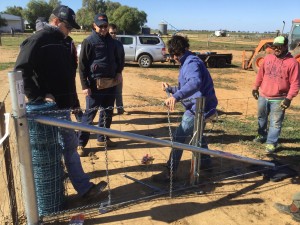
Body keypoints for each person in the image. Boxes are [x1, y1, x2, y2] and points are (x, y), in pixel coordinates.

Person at [14, 5, 107, 199]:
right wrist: (39, 96)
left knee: (68, 146)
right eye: (68, 27)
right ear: (56, 21)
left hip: (63, 107)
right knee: (61, 148)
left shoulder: (63, 42)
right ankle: (80, 189)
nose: (69, 31)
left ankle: (79, 187)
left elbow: (67, 75)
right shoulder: (37, 40)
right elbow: (20, 71)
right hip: (47, 109)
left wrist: (73, 101)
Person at [152, 35, 218, 182]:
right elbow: (187, 86)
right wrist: (171, 90)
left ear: (180, 51)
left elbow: (195, 83)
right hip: (203, 105)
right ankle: (206, 165)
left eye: (175, 54)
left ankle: (170, 173)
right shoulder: (188, 60)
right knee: (198, 136)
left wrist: (176, 97)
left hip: (198, 108)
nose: (174, 57)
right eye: (174, 54)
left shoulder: (190, 63)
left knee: (178, 138)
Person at [77, 13, 123, 156]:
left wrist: (119, 72)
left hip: (111, 83)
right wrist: (85, 86)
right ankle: (80, 143)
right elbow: (82, 65)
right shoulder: (89, 42)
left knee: (107, 112)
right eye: (100, 26)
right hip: (94, 86)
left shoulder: (113, 42)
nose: (103, 29)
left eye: (105, 26)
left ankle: (102, 138)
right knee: (89, 116)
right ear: (94, 26)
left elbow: (118, 59)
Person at [252, 36, 300, 153]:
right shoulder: (268, 58)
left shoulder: (292, 63)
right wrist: (255, 87)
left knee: (275, 122)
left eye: (279, 46)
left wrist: (288, 99)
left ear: (285, 46)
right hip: (263, 95)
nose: (276, 49)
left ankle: (271, 142)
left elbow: (295, 83)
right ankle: (262, 135)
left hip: (279, 98)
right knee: (261, 117)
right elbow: (260, 75)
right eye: (274, 46)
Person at [108, 23, 127, 115]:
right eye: (111, 33)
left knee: (118, 92)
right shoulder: (105, 43)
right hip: (108, 74)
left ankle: (120, 109)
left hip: (118, 72)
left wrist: (120, 71)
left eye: (115, 33)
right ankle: (109, 110)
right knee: (109, 93)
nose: (113, 35)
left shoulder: (119, 44)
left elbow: (122, 58)